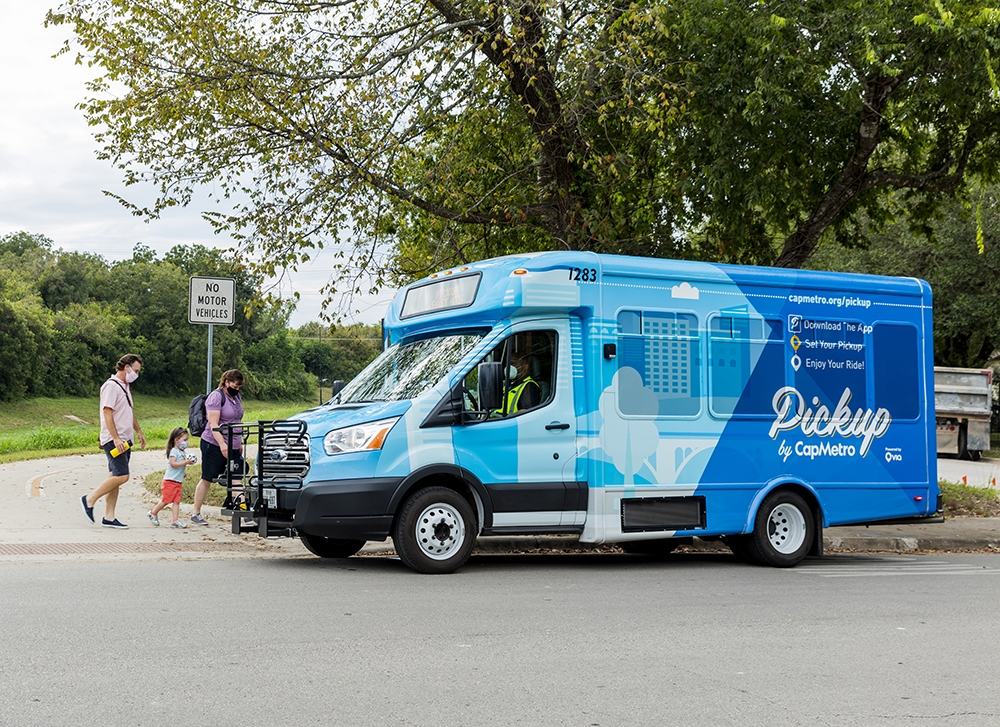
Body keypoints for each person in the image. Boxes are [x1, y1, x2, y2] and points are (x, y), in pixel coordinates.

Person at [80, 354, 146, 529]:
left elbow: (128, 412)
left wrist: (138, 431)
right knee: (122, 476)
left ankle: (109, 517)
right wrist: (115, 438)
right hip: (114, 440)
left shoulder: (124, 387)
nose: (137, 375)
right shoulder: (111, 386)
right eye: (136, 370)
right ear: (127, 367)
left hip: (125, 440)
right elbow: (107, 412)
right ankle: (89, 499)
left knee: (114, 477)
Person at [190, 369, 245, 525]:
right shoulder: (216, 396)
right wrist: (222, 444)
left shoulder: (236, 397)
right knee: (208, 478)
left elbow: (237, 421)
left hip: (233, 445)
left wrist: (238, 442)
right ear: (227, 382)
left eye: (239, 387)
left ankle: (243, 510)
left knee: (236, 477)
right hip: (213, 443)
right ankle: (196, 513)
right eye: (235, 385)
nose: (237, 389)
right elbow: (213, 423)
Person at [148, 427, 197, 528]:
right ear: (176, 440)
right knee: (166, 500)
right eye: (185, 440)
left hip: (178, 481)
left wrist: (182, 472)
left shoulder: (182, 452)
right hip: (170, 481)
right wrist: (185, 462)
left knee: (176, 501)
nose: (187, 442)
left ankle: (175, 520)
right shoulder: (174, 451)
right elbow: (173, 464)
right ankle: (153, 513)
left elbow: (178, 466)